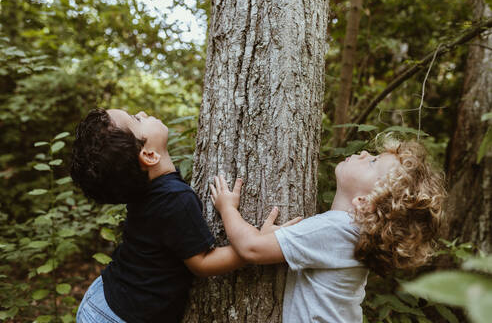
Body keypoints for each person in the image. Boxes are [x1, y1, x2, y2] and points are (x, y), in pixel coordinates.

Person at [210, 137, 446, 323]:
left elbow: (251, 248)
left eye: (372, 161)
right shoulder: (352, 234)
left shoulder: (337, 228)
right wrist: (273, 238)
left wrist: (228, 207)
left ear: (365, 201)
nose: (364, 153)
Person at [71, 108, 261, 323]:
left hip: (106, 299)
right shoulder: (175, 198)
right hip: (117, 315)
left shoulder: (145, 190)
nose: (142, 113)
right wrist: (254, 247)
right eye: (136, 119)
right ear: (149, 156)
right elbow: (203, 263)